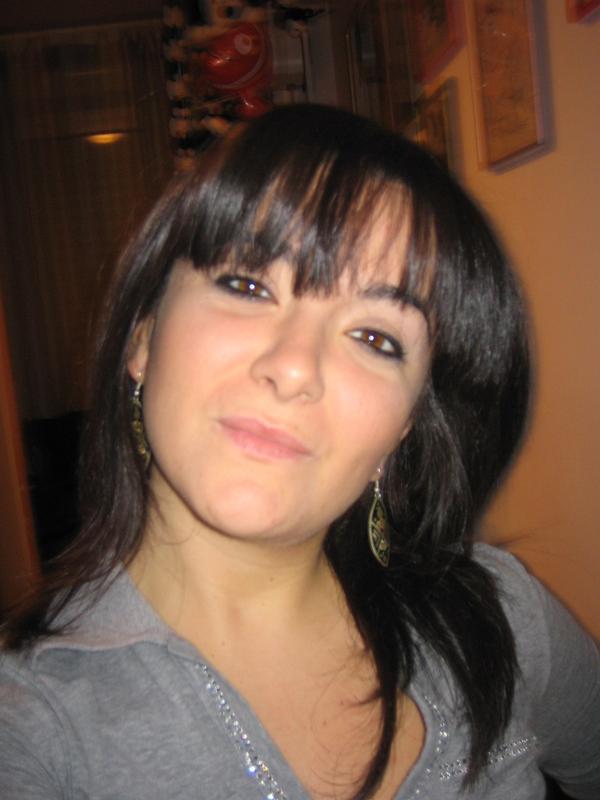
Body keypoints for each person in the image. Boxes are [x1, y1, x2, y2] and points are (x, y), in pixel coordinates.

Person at [0, 104, 598, 800]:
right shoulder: (30, 725)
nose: (293, 367)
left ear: (405, 427)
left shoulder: (503, 618)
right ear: (143, 336)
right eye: (248, 285)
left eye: (375, 338)